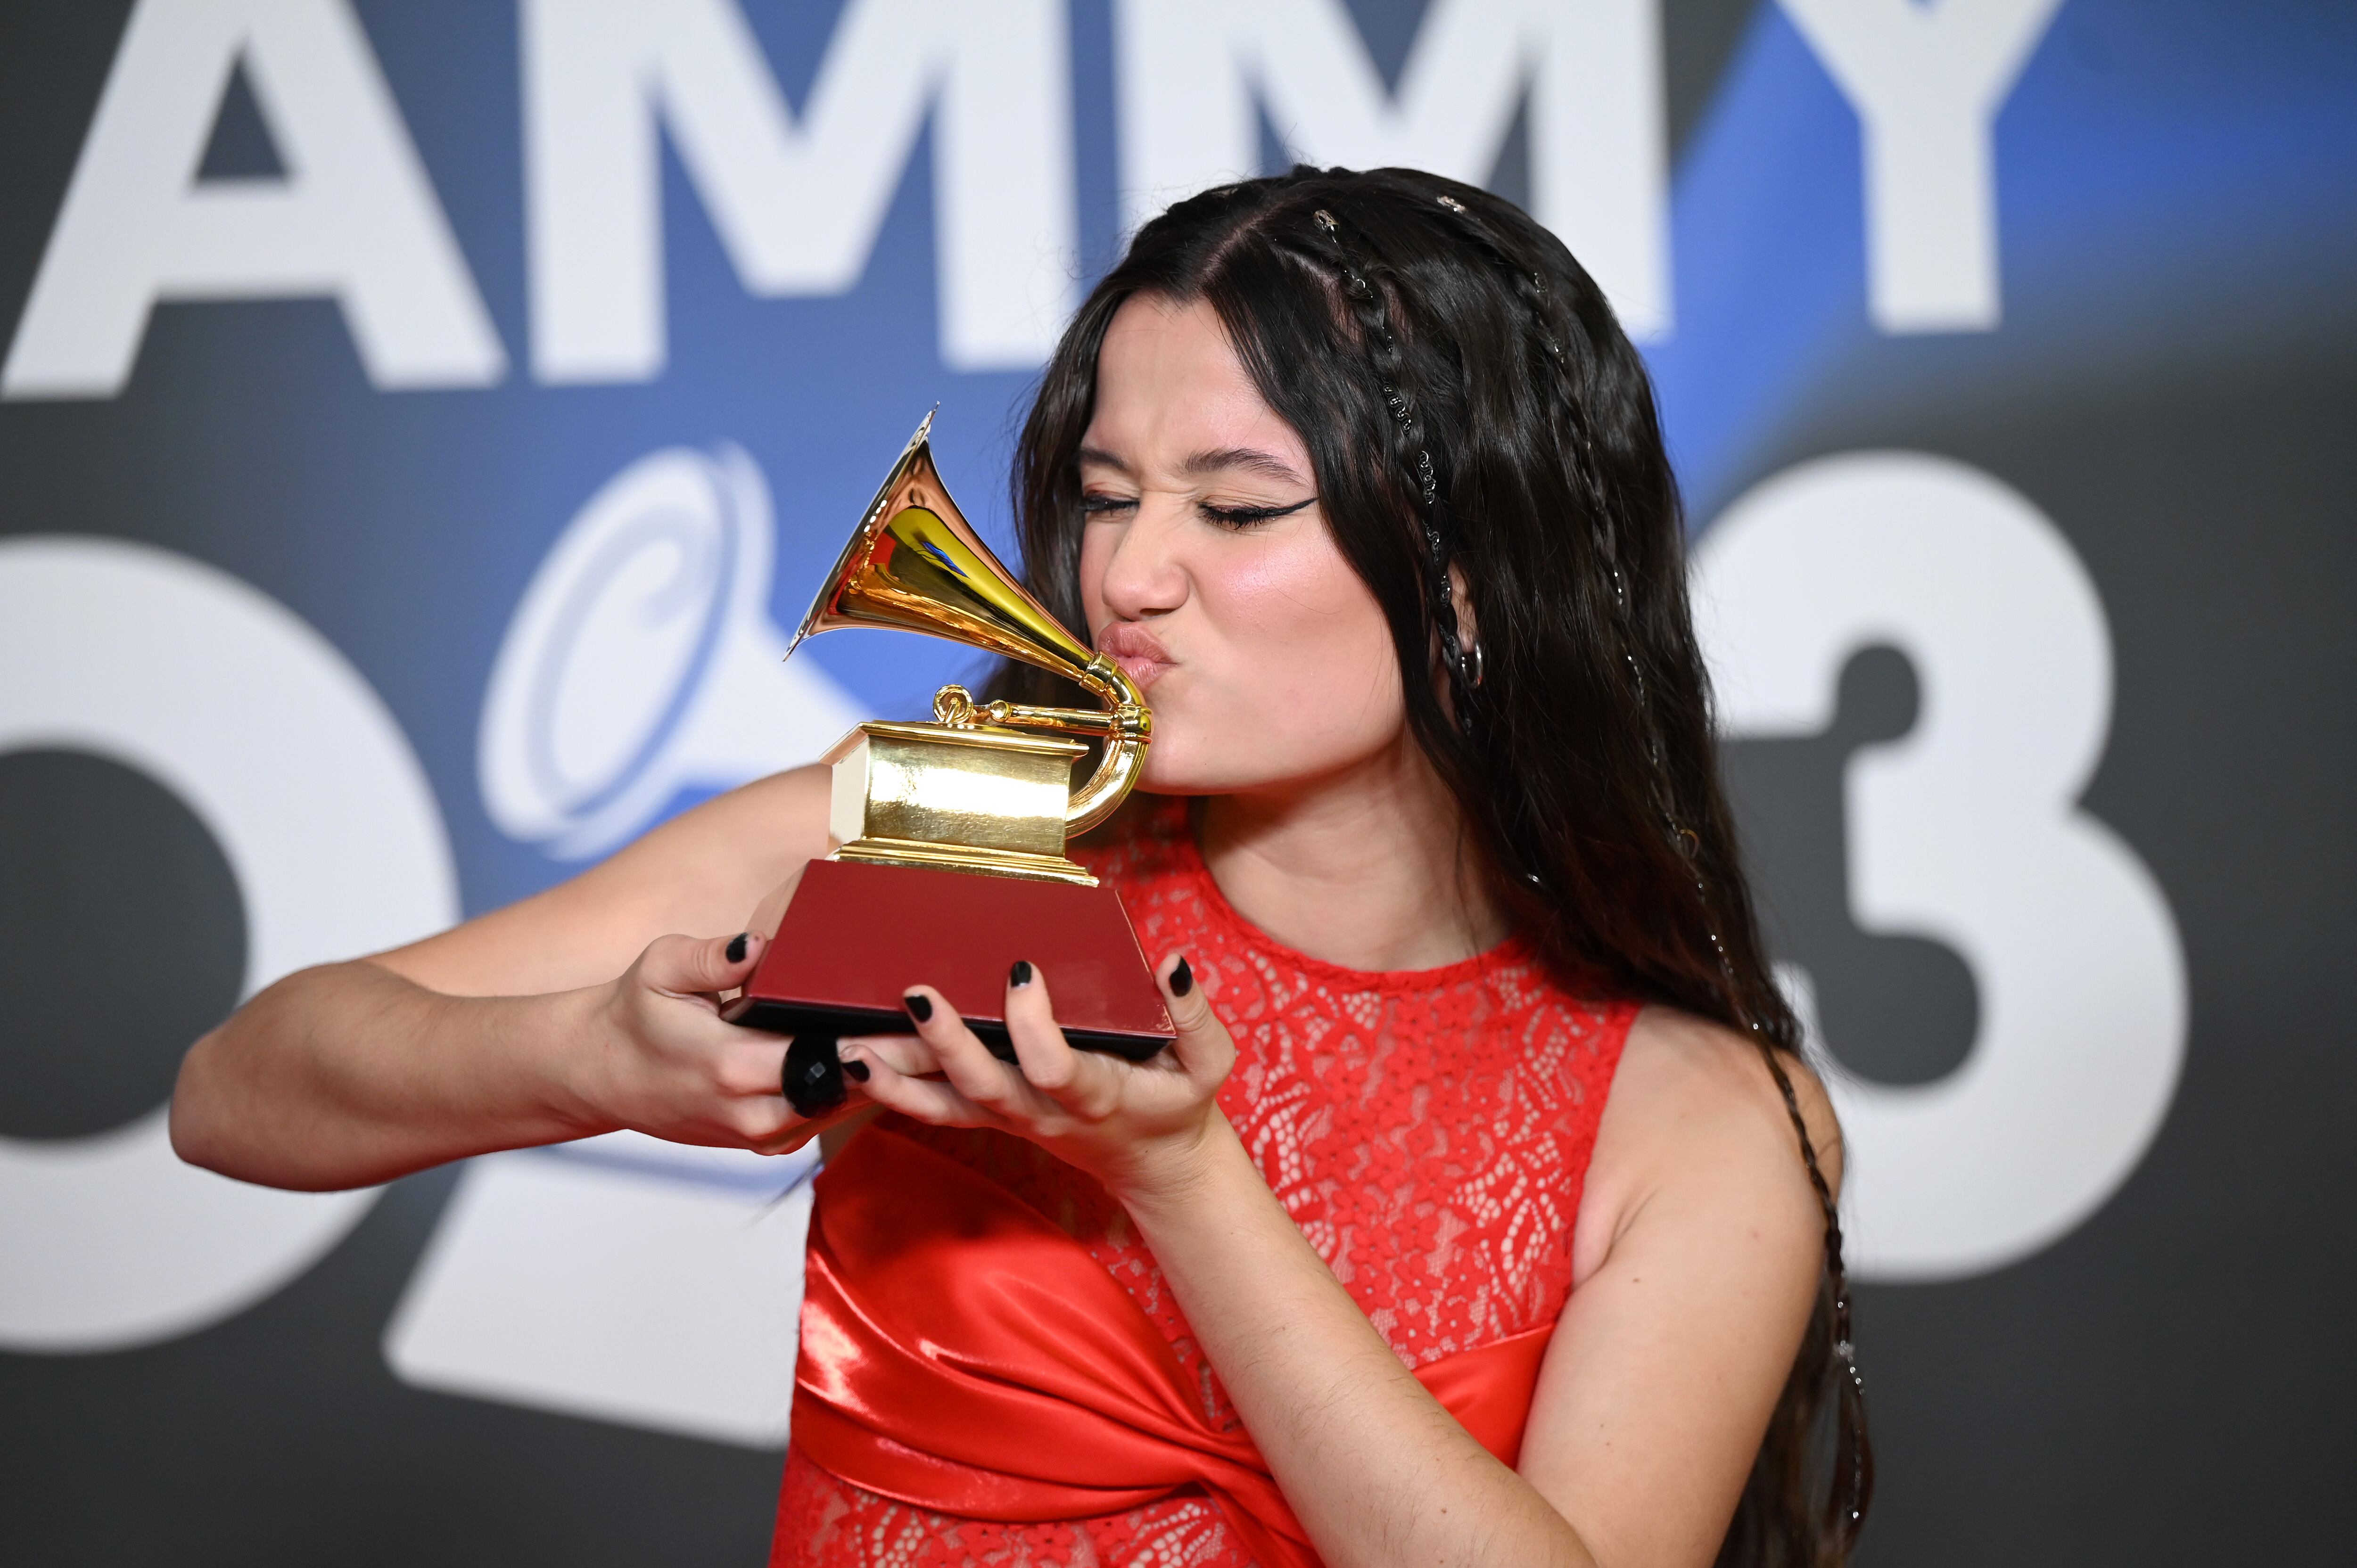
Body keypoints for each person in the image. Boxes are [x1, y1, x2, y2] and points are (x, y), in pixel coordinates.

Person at [173, 166, 1871, 1567]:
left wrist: (1184, 1179)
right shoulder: (939, 830)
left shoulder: (1706, 1121)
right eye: (1108, 491)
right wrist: (589, 1056)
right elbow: (235, 1094)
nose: (1125, 575)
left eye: (1237, 506)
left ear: (1473, 583)